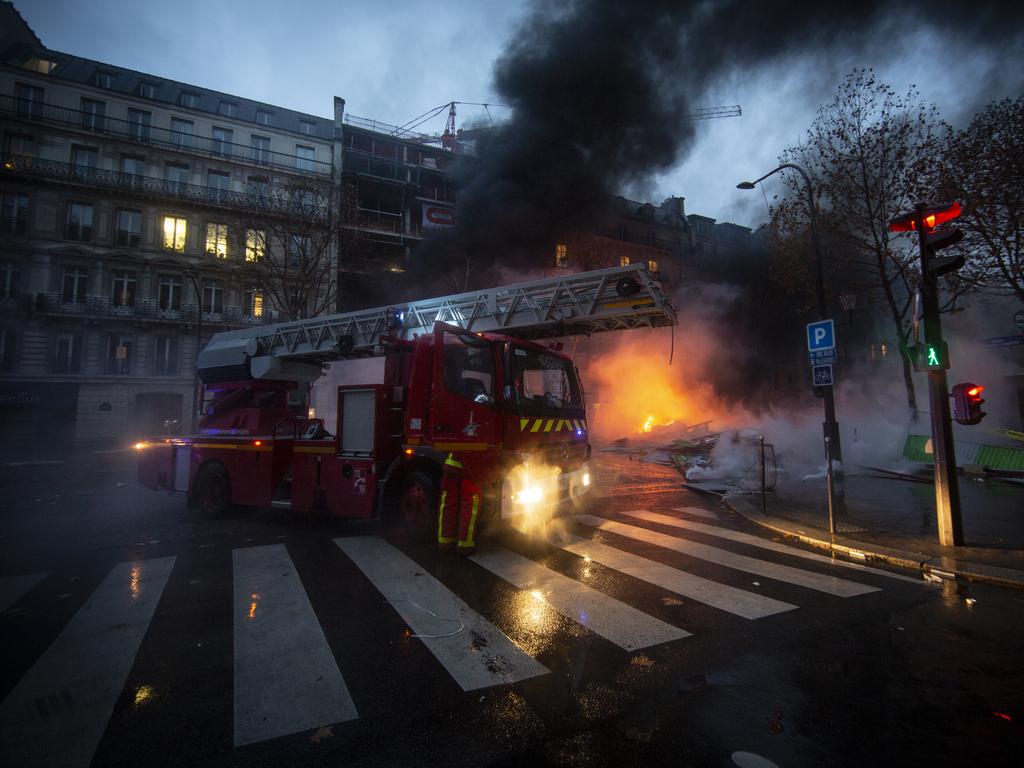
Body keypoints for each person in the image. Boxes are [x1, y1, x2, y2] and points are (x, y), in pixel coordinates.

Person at [437, 453, 480, 556]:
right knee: (469, 507)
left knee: (448, 505)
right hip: (469, 470)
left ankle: (445, 543)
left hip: (451, 467)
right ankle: (465, 546)